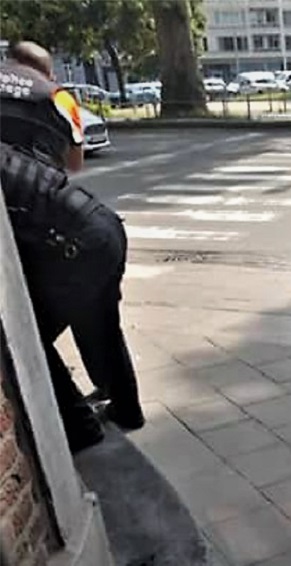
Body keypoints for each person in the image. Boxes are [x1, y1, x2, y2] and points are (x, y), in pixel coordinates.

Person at [0, 41, 144, 453]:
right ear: (45, 70)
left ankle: (79, 425)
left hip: (55, 234)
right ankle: (127, 409)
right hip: (97, 223)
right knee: (100, 319)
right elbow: (75, 162)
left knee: (28, 335)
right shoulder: (57, 96)